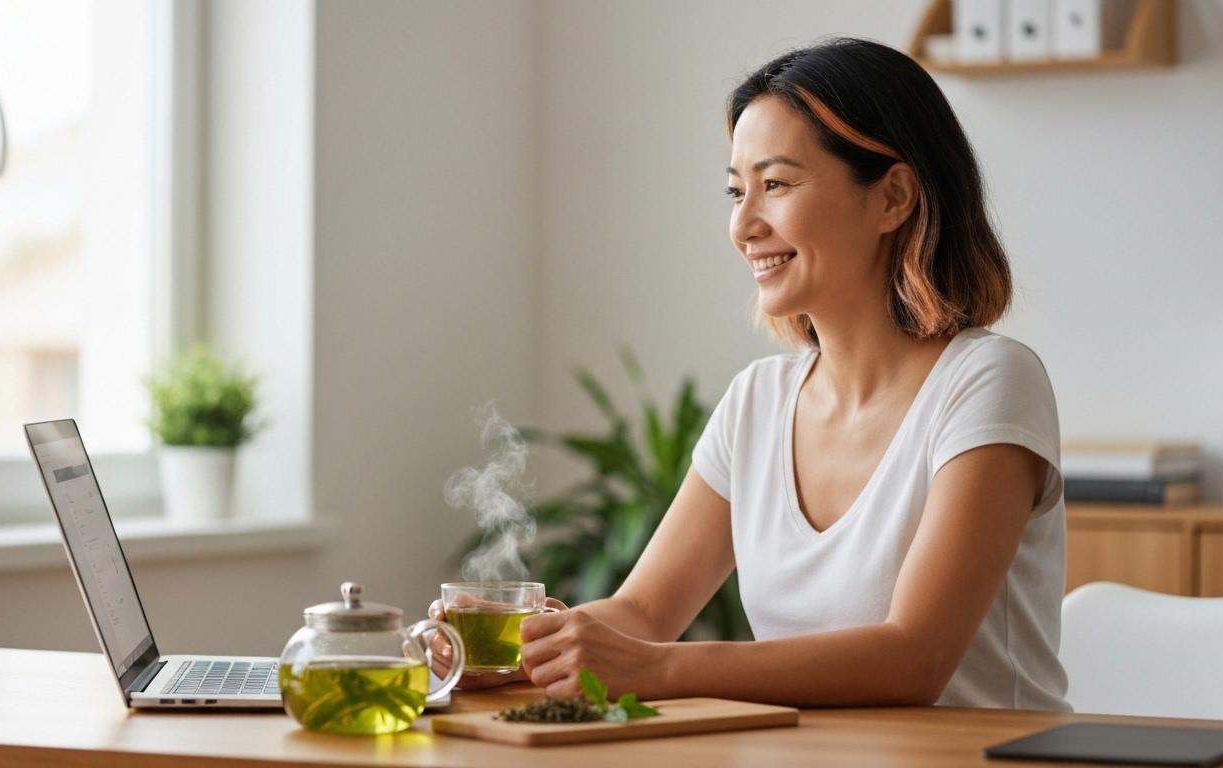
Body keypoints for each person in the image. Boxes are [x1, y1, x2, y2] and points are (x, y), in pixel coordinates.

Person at [432, 36, 1069, 711]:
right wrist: (533, 646)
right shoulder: (758, 403)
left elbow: (914, 658)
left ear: (894, 198)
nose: (743, 224)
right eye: (737, 191)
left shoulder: (989, 384)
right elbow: (645, 612)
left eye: (776, 184)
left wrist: (660, 670)